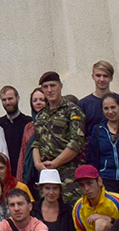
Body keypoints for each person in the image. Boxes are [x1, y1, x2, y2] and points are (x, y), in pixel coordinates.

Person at [30, 72, 86, 205]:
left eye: (53, 86)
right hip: (46, 174)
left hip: (68, 174)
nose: (49, 90)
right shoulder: (41, 116)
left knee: (70, 210)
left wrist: (55, 163)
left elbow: (76, 143)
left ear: (60, 86)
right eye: (45, 87)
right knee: (48, 212)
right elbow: (36, 143)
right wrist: (38, 164)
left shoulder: (72, 111)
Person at [77, 60, 119, 140]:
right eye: (98, 75)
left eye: (105, 76)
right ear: (93, 76)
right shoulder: (83, 105)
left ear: (111, 78)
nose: (102, 79)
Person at [15, 87, 45, 190]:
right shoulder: (29, 127)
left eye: (42, 100)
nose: (38, 103)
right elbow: (23, 152)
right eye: (35, 100)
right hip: (30, 175)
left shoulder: (53, 123)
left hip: (47, 171)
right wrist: (20, 179)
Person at [0, 85, 32, 156]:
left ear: (18, 98)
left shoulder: (29, 123)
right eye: (4, 100)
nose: (7, 102)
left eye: (10, 99)